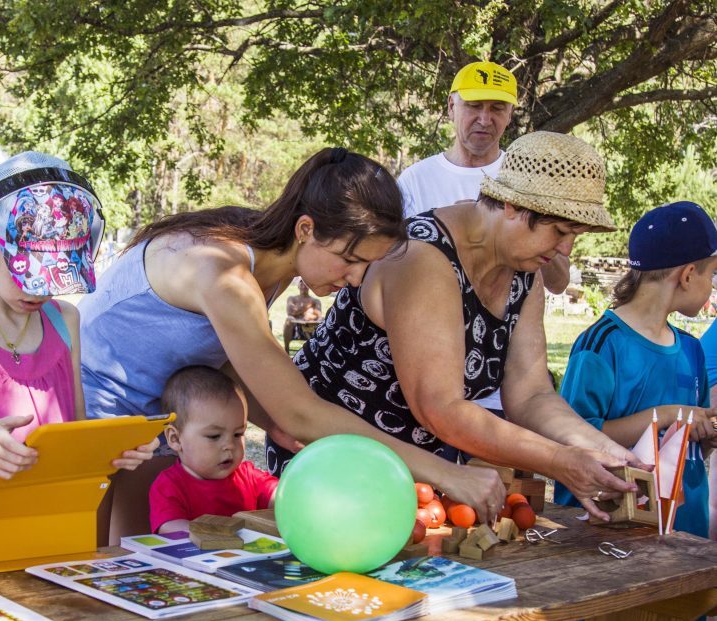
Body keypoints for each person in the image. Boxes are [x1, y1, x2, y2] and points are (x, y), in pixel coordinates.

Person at [80, 147, 506, 546]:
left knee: (146, 561)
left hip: (156, 412)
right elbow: (300, 411)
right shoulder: (224, 273)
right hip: (92, 409)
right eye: (350, 259)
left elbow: (229, 359)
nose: (355, 279)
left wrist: (275, 424)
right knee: (105, 560)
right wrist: (448, 474)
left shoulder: (268, 259)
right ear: (306, 229)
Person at [267, 132, 646, 523]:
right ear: (513, 207)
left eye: (574, 236)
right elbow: (439, 408)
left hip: (414, 467)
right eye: (560, 231)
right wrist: (560, 461)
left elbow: (531, 393)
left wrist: (605, 452)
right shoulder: (422, 257)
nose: (565, 250)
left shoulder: (525, 271)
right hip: (330, 454)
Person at [0, 151, 153, 569]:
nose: (39, 292)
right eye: (27, 273)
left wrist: (110, 451)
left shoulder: (65, 321)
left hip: (44, 545)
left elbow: (71, 441)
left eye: (53, 277)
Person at [554, 202, 717, 621]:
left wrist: (703, 428)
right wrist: (664, 416)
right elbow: (577, 433)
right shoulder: (602, 342)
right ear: (686, 274)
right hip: (611, 541)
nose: (712, 287)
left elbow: (692, 439)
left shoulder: (689, 349)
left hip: (679, 541)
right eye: (711, 274)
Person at [398, 61, 569, 429]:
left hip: (498, 383)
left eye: (497, 108)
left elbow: (559, 282)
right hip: (420, 379)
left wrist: (537, 239)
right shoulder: (414, 180)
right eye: (474, 106)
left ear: (510, 115)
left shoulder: (528, 179)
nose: (484, 119)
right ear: (450, 108)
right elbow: (387, 268)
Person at [150, 366, 277, 533]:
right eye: (214, 436)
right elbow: (171, 528)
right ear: (175, 438)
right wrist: (215, 534)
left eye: (238, 434)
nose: (229, 445)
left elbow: (280, 495)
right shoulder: (169, 486)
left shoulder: (248, 476)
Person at [283, 278, 323, 353]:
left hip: (310, 327)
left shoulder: (315, 301)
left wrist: (306, 315)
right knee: (289, 319)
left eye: (306, 283)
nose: (304, 285)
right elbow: (290, 312)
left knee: (322, 320)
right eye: (301, 283)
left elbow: (319, 315)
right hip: (295, 328)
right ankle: (286, 350)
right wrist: (308, 307)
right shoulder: (292, 299)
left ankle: (315, 350)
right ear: (298, 286)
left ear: (309, 286)